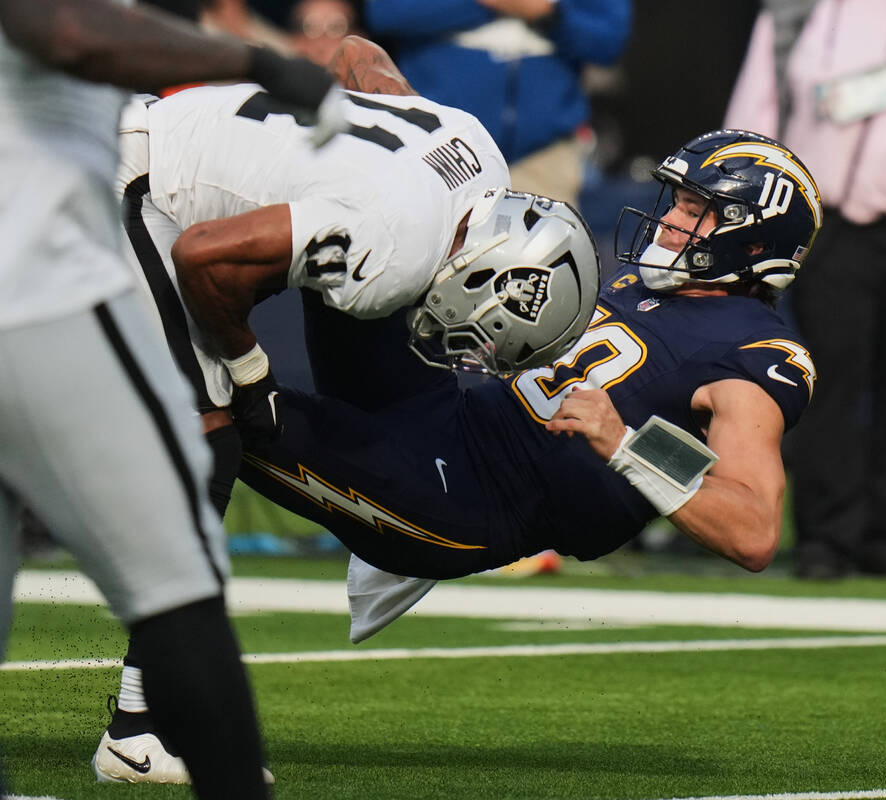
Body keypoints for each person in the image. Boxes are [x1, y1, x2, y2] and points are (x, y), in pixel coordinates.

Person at [91, 34, 600, 784]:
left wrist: (276, 155)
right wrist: (248, 363)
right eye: (484, 340)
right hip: (132, 185)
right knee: (207, 446)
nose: (468, 357)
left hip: (146, 136)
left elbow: (351, 53)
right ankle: (138, 731)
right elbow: (203, 254)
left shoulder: (479, 154)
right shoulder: (393, 256)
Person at [208, 130, 820, 594]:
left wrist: (627, 443)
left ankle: (148, 702)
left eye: (693, 210)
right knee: (348, 242)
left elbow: (753, 531)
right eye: (677, 202)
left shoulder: (755, 356)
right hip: (439, 408)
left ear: (754, 240)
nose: (668, 219)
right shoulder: (644, 283)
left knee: (218, 414)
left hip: (467, 498)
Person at [0, 0, 348, 796]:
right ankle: (145, 733)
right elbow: (70, 31)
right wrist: (260, 61)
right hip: (31, 298)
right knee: (177, 566)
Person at [724, 0, 886, 579]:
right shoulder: (798, 12)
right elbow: (754, 121)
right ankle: (826, 539)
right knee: (828, 384)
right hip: (828, 228)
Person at [363, 0, 632, 204]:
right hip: (435, 150)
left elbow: (608, 40)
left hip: (542, 155)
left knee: (542, 268)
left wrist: (550, 15)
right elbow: (386, 12)